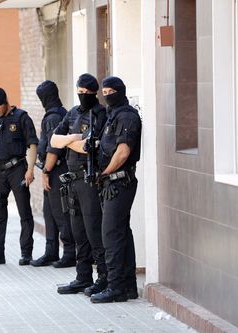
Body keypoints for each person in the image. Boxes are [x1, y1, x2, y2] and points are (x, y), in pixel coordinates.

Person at [50, 74, 108, 296]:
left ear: (94, 93)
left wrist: (70, 141)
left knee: (94, 230)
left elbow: (87, 147)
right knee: (78, 231)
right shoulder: (73, 113)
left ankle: (103, 277)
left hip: (89, 179)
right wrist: (73, 138)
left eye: (86, 92)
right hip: (72, 178)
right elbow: (55, 140)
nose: (82, 95)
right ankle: (82, 277)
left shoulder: (100, 114)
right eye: (79, 91)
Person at [90, 76, 141, 303]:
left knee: (110, 235)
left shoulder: (128, 116)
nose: (107, 95)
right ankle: (128, 286)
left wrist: (105, 173)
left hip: (119, 181)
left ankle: (115, 287)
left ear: (120, 91)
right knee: (121, 233)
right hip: (111, 182)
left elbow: (122, 153)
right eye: (105, 91)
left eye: (111, 91)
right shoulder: (112, 115)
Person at [0, 87, 39, 266]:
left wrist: (30, 169)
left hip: (17, 169)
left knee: (24, 212)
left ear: (6, 101)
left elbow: (33, 144)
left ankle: (26, 253)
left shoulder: (21, 118)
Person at [30, 80, 76, 268]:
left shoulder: (53, 118)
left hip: (56, 170)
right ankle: (51, 252)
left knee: (60, 213)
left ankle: (69, 253)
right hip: (54, 169)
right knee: (49, 212)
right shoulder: (60, 114)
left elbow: (54, 148)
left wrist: (46, 171)